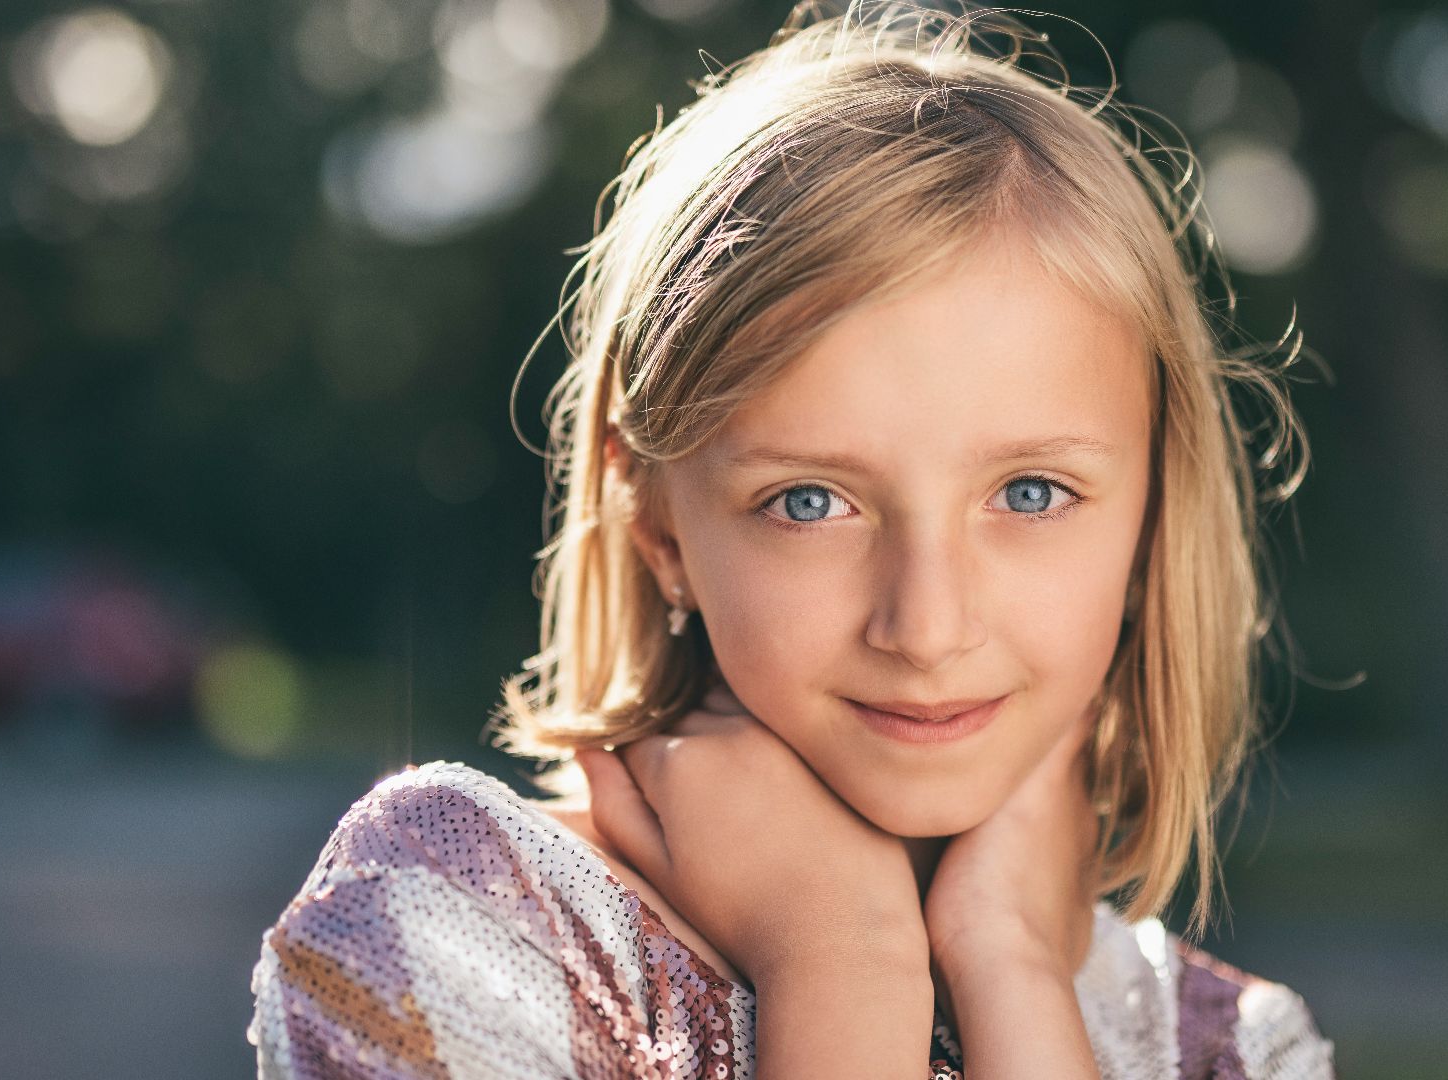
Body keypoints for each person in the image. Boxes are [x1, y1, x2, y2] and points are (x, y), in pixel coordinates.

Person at [247, 1, 1338, 1076]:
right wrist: (842, 961)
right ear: (659, 525)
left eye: (1033, 493)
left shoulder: (1238, 1051)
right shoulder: (452, 929)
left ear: (1154, 516)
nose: (927, 625)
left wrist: (1010, 970)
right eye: (811, 502)